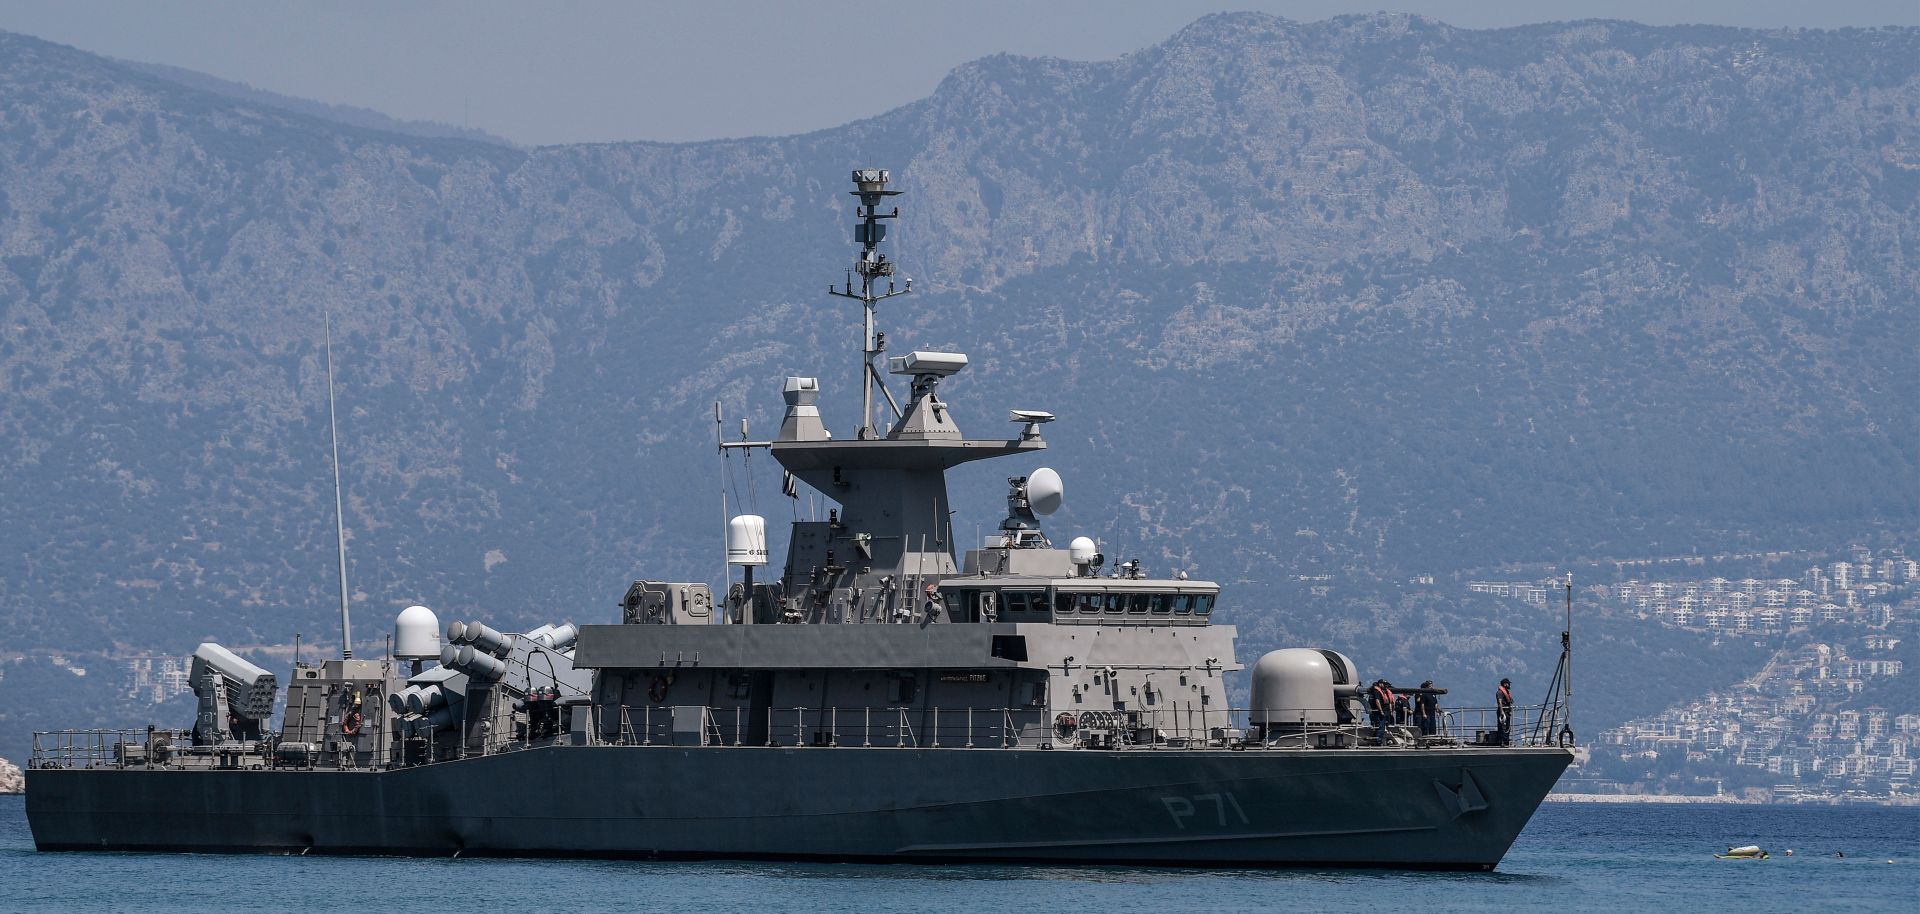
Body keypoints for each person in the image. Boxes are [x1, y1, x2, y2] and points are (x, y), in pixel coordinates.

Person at [1367, 679, 1396, 745]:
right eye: (1384, 684)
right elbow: (1377, 701)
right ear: (1380, 684)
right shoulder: (1377, 691)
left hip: (1385, 711)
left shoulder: (1383, 692)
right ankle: (1378, 741)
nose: (1386, 686)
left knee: (1382, 726)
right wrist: (1381, 711)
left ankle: (1377, 740)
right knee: (1381, 727)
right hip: (1379, 712)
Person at [1495, 677, 1514, 745]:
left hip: (1507, 711)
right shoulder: (1500, 692)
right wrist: (1502, 711)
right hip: (1503, 711)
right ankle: (1502, 741)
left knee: (1507, 727)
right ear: (1505, 684)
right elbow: (1499, 702)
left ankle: (1506, 741)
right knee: (1503, 727)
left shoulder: (1507, 692)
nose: (1509, 685)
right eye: (1508, 683)